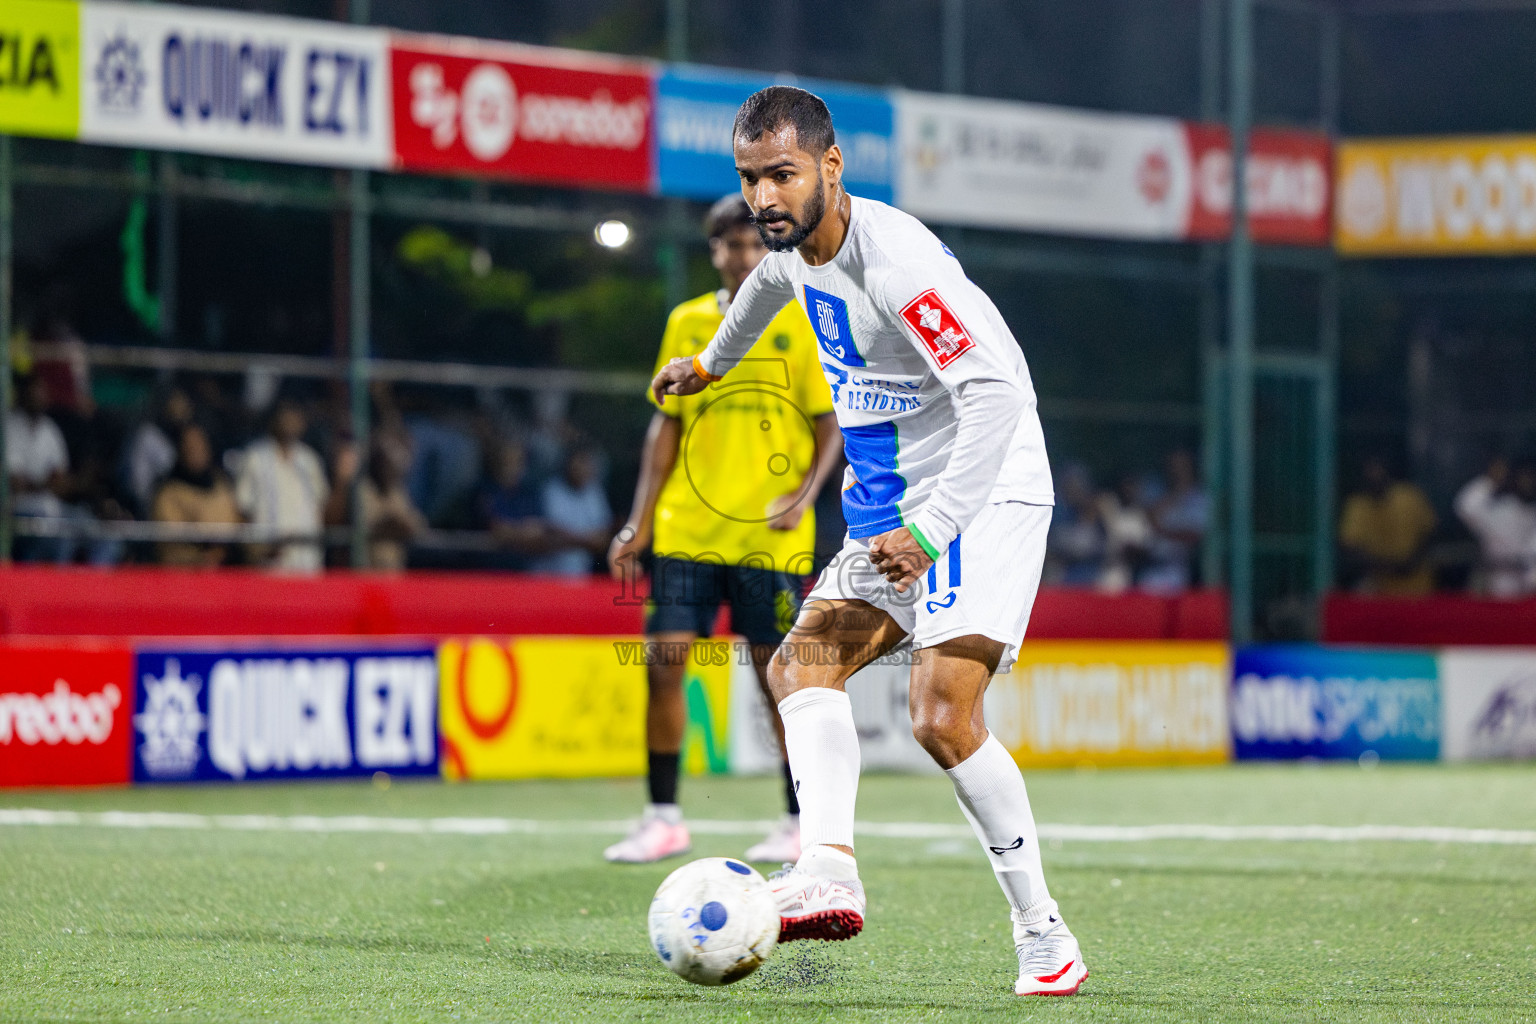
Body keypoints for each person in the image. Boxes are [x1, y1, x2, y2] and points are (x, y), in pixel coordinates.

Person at [649, 87, 1084, 996]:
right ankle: (830, 869)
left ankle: (1042, 930)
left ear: (830, 167)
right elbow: (763, 293)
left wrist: (931, 531)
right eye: (750, 178)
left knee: (939, 714)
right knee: (800, 664)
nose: (764, 197)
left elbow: (997, 398)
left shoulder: (899, 263)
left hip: (986, 480)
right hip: (899, 495)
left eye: (782, 174)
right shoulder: (793, 256)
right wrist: (707, 367)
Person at [606, 194, 842, 866]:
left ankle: (798, 823)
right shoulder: (686, 322)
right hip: (687, 530)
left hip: (769, 537)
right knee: (663, 664)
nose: (737, 255)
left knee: (778, 681)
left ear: (766, 250)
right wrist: (638, 521)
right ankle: (662, 817)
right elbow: (664, 423)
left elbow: (829, 424)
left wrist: (803, 496)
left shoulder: (797, 320)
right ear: (713, 251)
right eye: (725, 245)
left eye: (748, 244)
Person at [233, 398, 328, 572]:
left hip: (306, 562)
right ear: (274, 419)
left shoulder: (309, 460)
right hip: (270, 563)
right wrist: (256, 550)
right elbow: (242, 509)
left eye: (295, 416)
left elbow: (320, 508)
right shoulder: (256, 457)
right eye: (285, 415)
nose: (290, 421)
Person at [1338, 453, 1437, 596]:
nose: (1374, 477)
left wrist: (1412, 561)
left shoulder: (1409, 496)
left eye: (1377, 471)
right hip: (1378, 587)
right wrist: (1386, 566)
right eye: (1369, 473)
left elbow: (1430, 531)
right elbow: (1350, 546)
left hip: (1417, 585)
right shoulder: (1357, 505)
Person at [152, 424, 242, 567]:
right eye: (188, 446)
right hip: (187, 576)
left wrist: (224, 551)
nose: (194, 451)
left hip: (228, 571)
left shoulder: (222, 486)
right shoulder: (169, 494)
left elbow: (237, 527)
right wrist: (202, 558)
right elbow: (170, 547)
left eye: (199, 444)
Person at [6, 373, 70, 562]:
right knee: (56, 537)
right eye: (35, 391)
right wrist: (46, 483)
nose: (39, 396)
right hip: (20, 509)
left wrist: (42, 484)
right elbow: (16, 484)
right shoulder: (10, 427)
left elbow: (62, 482)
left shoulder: (50, 429)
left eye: (42, 391)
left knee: (94, 528)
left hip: (53, 509)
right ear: (23, 394)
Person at [1454, 455, 1536, 597]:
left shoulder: (1531, 511)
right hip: (1501, 580)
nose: (1527, 483)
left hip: (1530, 579)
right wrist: (1491, 480)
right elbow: (1464, 506)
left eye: (1531, 478)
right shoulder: (1496, 508)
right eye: (1523, 477)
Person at [531, 445, 612, 576]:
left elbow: (604, 531)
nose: (583, 468)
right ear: (568, 463)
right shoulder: (551, 490)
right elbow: (552, 529)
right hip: (546, 575)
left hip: (580, 575)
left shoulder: (594, 493)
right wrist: (587, 541)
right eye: (579, 462)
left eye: (587, 463)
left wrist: (584, 540)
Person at [1142, 450, 1210, 593]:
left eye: (1181, 465)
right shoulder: (1156, 488)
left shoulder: (1200, 498)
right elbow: (1147, 518)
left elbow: (1195, 536)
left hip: (1178, 570)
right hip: (1149, 566)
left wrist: (1161, 532)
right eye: (1173, 465)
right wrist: (1177, 493)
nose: (1176, 470)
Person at [476, 440, 550, 570]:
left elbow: (538, 529)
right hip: (486, 570)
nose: (512, 466)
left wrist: (515, 531)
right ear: (497, 462)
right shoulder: (483, 491)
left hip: (521, 571)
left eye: (517, 461)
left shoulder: (529, 493)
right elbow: (499, 530)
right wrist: (522, 532)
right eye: (507, 461)